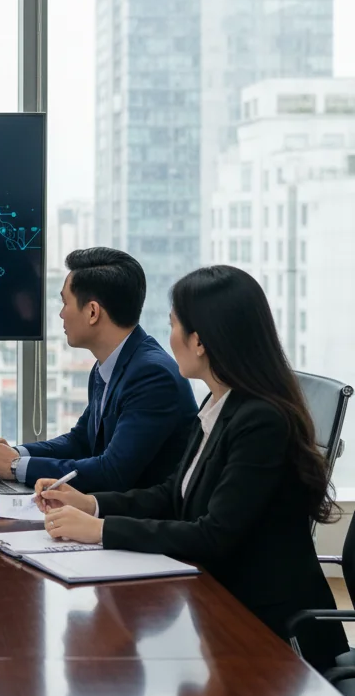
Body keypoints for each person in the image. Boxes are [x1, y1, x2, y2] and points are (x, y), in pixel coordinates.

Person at [34, 265, 348, 672]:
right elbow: (173, 494)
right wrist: (92, 504)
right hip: (223, 605)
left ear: (198, 341)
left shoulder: (261, 421)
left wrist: (101, 531)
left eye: (173, 326)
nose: (168, 339)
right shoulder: (221, 404)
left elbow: (213, 535)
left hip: (274, 635)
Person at [0, 247, 197, 491]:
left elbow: (112, 471)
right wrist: (13, 453)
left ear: (92, 312)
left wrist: (16, 466)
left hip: (141, 521)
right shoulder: (109, 365)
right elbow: (80, 441)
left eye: (65, 302)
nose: (61, 314)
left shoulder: (153, 376)